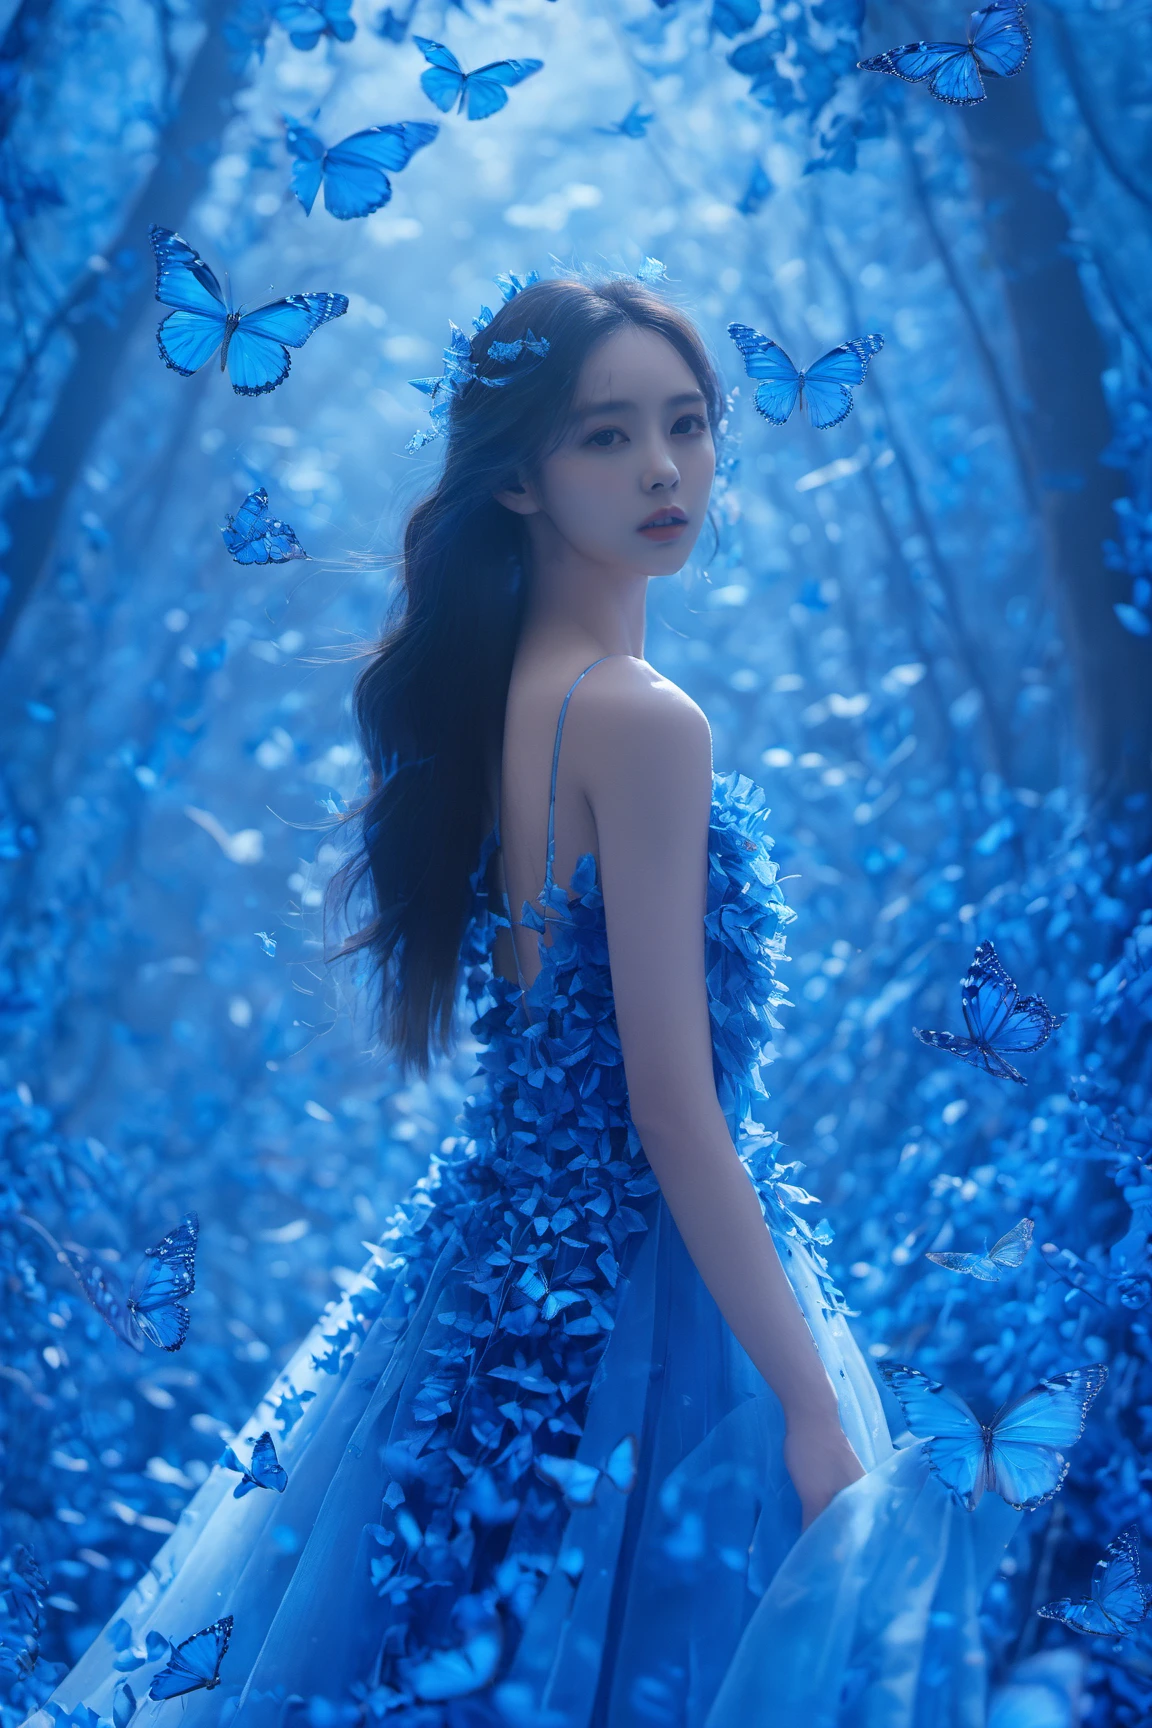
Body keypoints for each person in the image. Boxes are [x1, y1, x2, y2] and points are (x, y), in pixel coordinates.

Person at [27, 275, 1019, 1728]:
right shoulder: (637, 718)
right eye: (606, 437)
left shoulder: (519, 697)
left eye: (686, 426)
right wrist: (809, 1407)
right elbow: (674, 1114)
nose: (665, 468)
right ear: (517, 480)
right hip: (631, 1290)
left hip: (490, 1277)